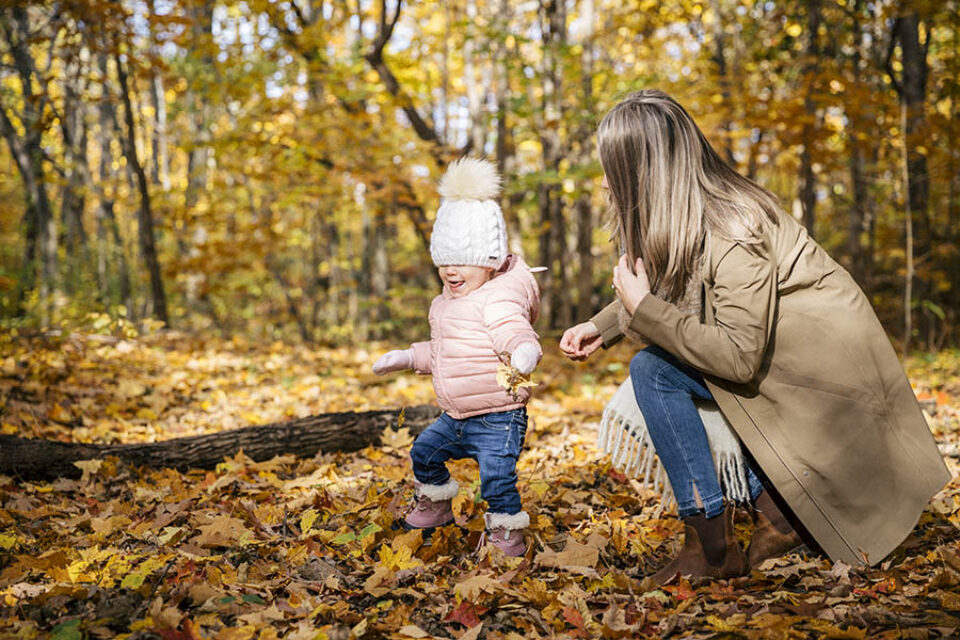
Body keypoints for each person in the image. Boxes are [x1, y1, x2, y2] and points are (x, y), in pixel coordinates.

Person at [560, 89, 950, 582]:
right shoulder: (691, 218)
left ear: (641, 174)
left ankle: (712, 544)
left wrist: (644, 310)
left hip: (813, 371)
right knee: (657, 368)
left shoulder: (733, 228)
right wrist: (601, 326)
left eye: (612, 170)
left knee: (654, 372)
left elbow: (738, 357)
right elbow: (673, 287)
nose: (605, 184)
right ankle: (774, 507)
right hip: (776, 358)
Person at [373, 157, 541, 557]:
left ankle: (506, 534)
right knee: (424, 452)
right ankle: (435, 506)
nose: (451, 271)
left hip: (499, 415)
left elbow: (514, 332)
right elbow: (447, 353)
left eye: (461, 261)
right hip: (456, 416)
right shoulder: (445, 303)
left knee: (496, 479)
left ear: (489, 260)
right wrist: (406, 357)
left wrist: (523, 352)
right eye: (444, 261)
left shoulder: (497, 298)